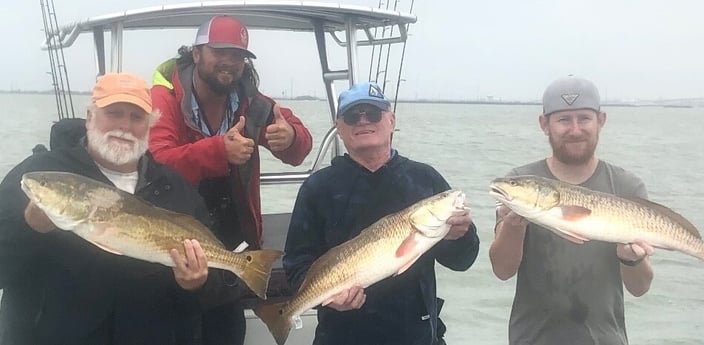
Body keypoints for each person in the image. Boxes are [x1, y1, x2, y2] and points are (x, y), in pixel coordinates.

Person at [0, 73, 240, 345]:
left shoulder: (176, 190)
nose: (125, 126)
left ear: (150, 127)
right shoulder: (39, 177)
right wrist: (29, 228)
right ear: (90, 117)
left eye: (137, 118)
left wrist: (198, 284)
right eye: (113, 113)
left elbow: (219, 290)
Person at [148, 15, 313, 345]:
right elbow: (157, 163)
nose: (229, 62)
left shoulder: (252, 101)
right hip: (170, 238)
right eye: (219, 51)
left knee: (226, 330)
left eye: (238, 55)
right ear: (196, 54)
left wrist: (290, 136)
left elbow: (300, 150)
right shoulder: (164, 97)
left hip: (231, 242)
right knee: (172, 327)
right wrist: (218, 150)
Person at [283, 82, 480, 345]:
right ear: (339, 128)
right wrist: (330, 301)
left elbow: (463, 261)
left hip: (417, 335)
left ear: (391, 120)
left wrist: (459, 235)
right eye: (353, 116)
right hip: (341, 336)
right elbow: (297, 265)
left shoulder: (425, 179)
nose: (363, 121)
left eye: (373, 113)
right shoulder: (317, 188)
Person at [488, 75, 655, 345]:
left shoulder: (627, 186)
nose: (575, 129)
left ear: (601, 121)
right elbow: (503, 270)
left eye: (584, 119)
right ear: (545, 124)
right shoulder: (519, 182)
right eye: (564, 120)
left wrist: (630, 258)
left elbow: (640, 287)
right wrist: (512, 226)